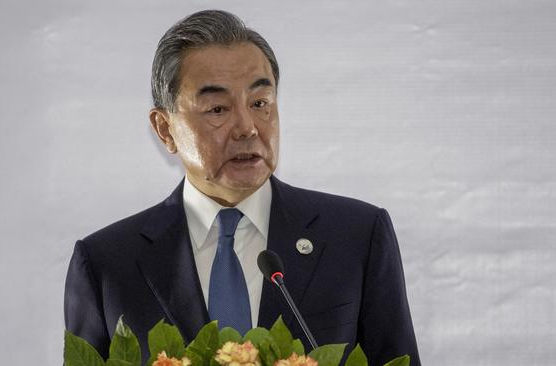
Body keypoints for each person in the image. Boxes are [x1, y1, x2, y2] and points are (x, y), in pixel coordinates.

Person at [64, 10, 420, 366]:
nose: (247, 128)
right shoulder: (107, 264)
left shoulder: (356, 236)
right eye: (217, 109)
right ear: (165, 129)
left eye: (260, 103)